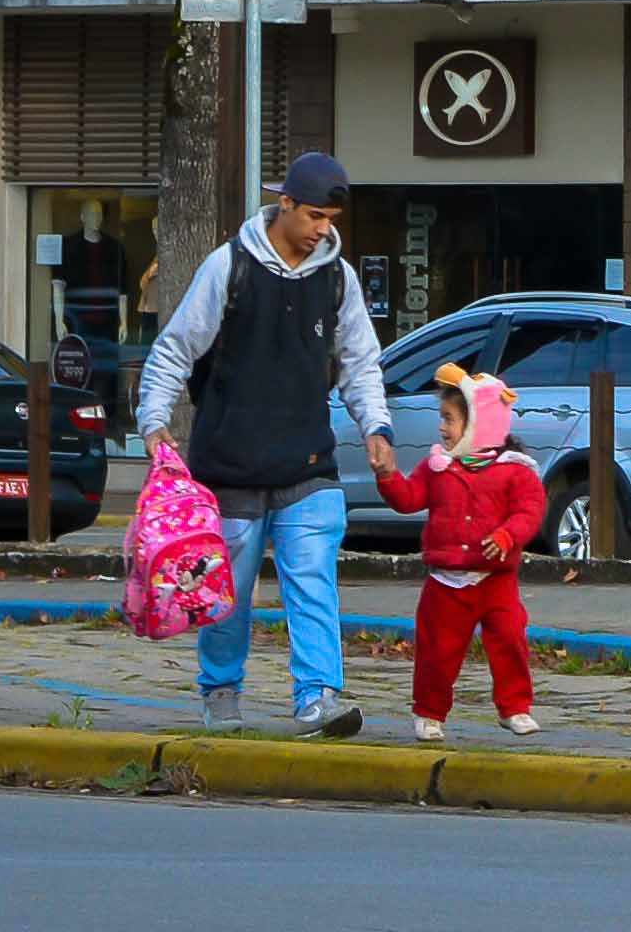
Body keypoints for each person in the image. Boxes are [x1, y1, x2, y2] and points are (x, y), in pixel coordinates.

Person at [135, 147, 404, 735]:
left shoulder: (338, 277)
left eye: (331, 221)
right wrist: (154, 424)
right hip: (228, 463)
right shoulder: (227, 267)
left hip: (308, 460)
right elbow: (175, 349)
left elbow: (361, 361)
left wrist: (375, 427)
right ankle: (222, 691)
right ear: (284, 204)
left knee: (312, 578)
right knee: (226, 594)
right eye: (314, 217)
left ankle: (318, 696)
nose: (322, 231)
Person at [404, 369, 542, 743]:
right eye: (442, 419)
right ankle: (429, 712)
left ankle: (515, 707)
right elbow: (409, 499)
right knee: (437, 652)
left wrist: (507, 534)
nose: (442, 428)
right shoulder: (437, 467)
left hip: (495, 581)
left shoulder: (514, 471)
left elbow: (530, 510)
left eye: (449, 419)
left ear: (479, 424)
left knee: (510, 640)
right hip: (445, 583)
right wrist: (387, 477)